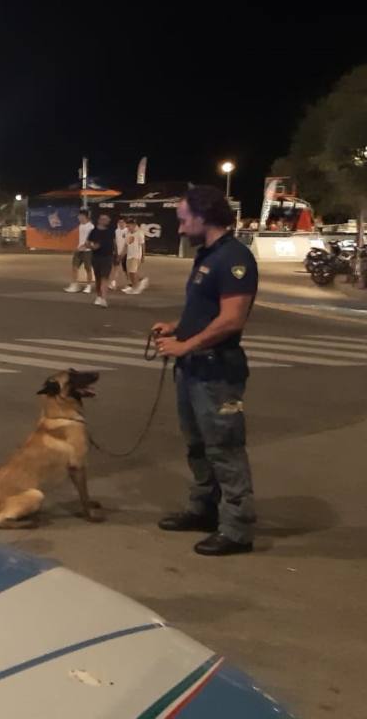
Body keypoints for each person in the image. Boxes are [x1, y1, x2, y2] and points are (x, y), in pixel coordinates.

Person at [153, 185, 258, 556]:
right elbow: (205, 313)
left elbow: (231, 320)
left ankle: (237, 529)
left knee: (225, 448)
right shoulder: (207, 256)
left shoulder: (234, 257)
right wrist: (176, 329)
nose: (179, 229)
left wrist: (185, 345)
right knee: (197, 447)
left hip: (217, 373)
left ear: (203, 216)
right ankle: (203, 509)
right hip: (193, 369)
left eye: (183, 220)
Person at [87, 213, 117, 307]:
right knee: (98, 278)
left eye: (107, 219)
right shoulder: (93, 231)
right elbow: (87, 242)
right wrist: (92, 246)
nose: (107, 221)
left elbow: (114, 242)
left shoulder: (111, 231)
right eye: (104, 219)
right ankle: (99, 296)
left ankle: (104, 299)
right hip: (96, 257)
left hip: (107, 257)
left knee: (105, 277)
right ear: (100, 220)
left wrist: (116, 253)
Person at [64, 210, 95, 293]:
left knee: (88, 269)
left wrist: (84, 246)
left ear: (84, 216)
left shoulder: (91, 227)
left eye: (79, 216)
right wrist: (78, 247)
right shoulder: (80, 225)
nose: (78, 217)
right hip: (79, 250)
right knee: (74, 267)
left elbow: (91, 239)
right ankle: (75, 285)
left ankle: (88, 286)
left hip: (87, 251)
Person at [122, 218, 149, 294]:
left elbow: (143, 245)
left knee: (132, 272)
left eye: (129, 226)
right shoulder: (128, 233)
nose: (127, 227)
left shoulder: (139, 233)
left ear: (134, 225)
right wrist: (122, 254)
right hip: (129, 256)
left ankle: (136, 288)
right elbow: (126, 245)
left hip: (136, 256)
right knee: (130, 273)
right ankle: (136, 285)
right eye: (127, 226)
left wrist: (143, 256)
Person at [110, 217, 129, 290]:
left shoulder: (127, 231)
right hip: (117, 253)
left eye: (122, 222)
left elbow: (127, 244)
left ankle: (128, 284)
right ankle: (113, 283)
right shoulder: (116, 231)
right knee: (115, 268)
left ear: (125, 224)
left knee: (126, 269)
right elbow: (115, 242)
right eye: (119, 222)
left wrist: (123, 253)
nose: (121, 224)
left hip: (126, 253)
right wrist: (116, 252)